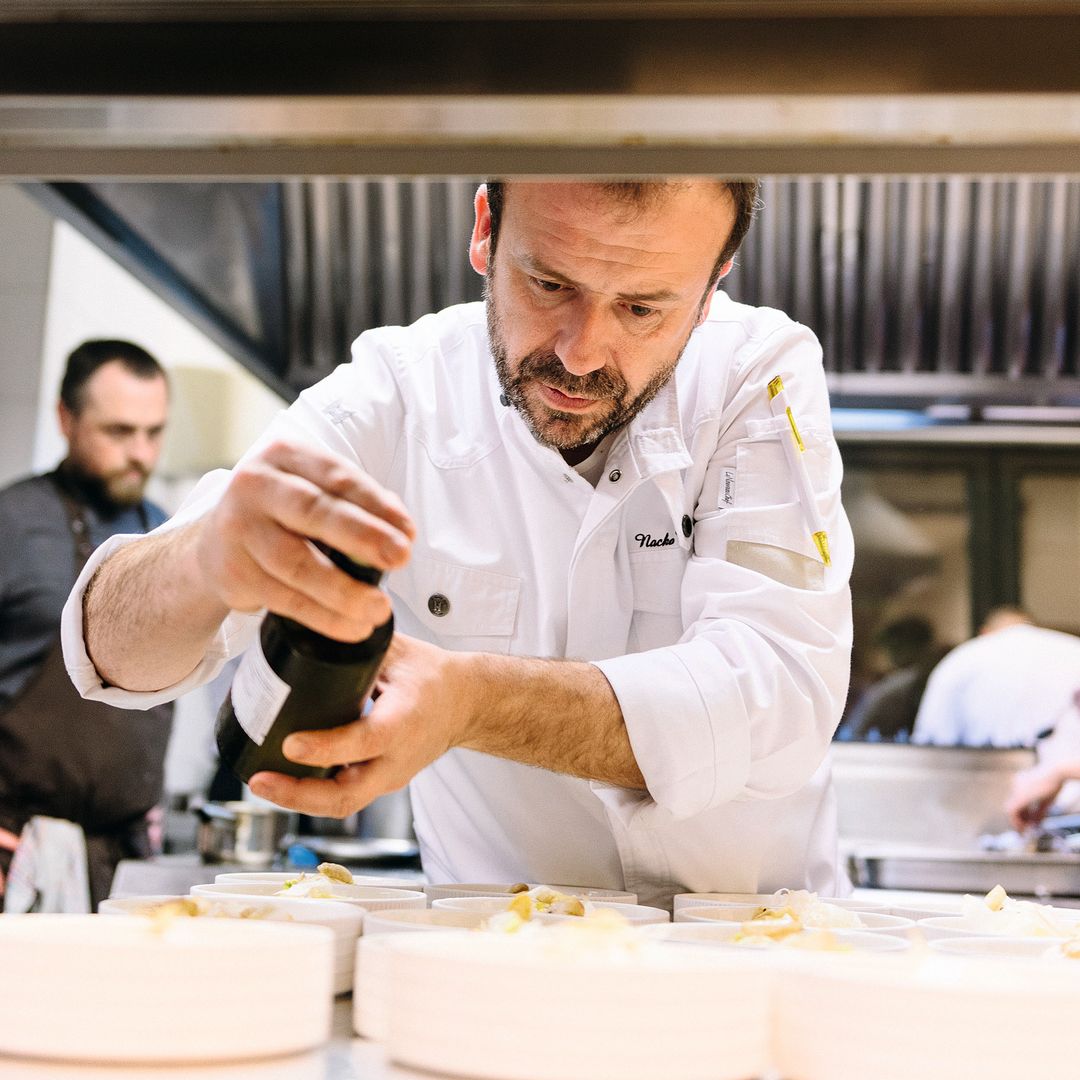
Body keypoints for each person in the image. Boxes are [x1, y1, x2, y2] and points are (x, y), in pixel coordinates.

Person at [63, 181, 853, 909]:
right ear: (485, 230)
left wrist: (472, 703)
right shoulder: (399, 393)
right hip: (488, 962)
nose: (580, 353)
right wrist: (203, 561)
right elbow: (109, 652)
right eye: (549, 285)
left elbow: (777, 698)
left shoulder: (758, 374)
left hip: (755, 947)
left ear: (713, 288)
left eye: (643, 309)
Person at [0, 340, 172, 910]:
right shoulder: (13, 523)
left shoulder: (168, 538)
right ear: (65, 420)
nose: (140, 453)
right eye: (119, 432)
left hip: (122, 868)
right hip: (10, 856)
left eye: (154, 433)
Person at [913, 607, 1080, 748]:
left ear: (984, 632)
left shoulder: (962, 658)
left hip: (989, 778)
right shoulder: (1073, 649)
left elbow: (933, 740)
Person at [840, 616, 949, 741]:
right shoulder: (901, 683)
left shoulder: (904, 684)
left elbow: (856, 731)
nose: (890, 656)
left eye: (892, 648)